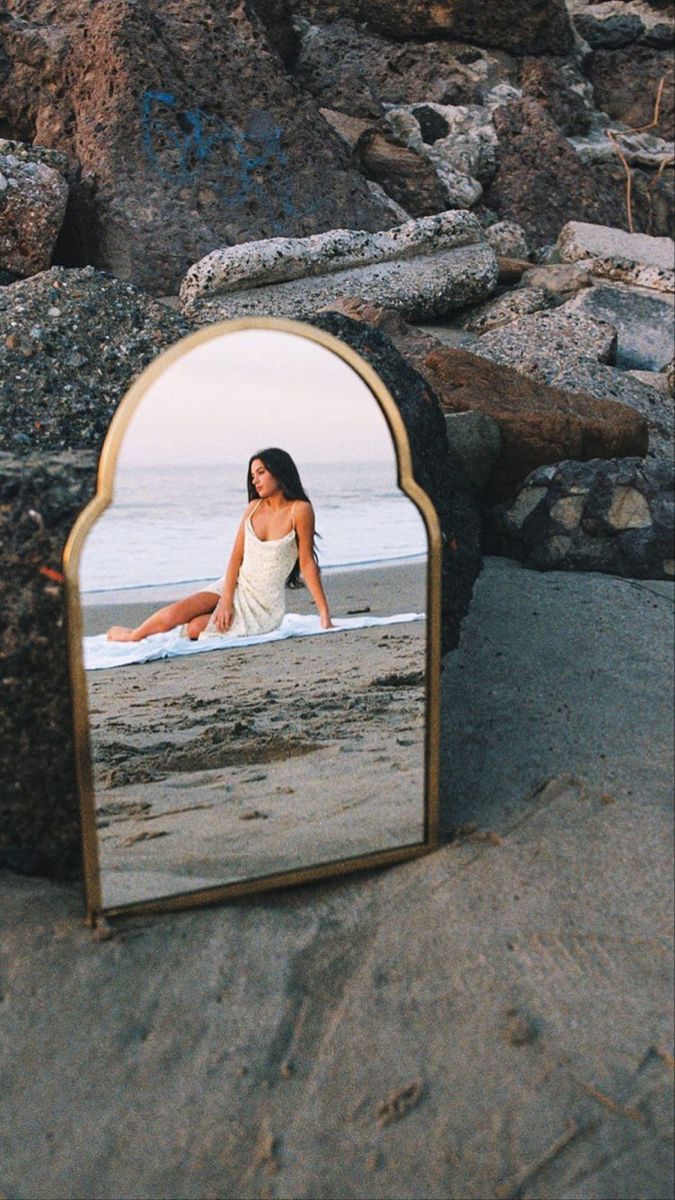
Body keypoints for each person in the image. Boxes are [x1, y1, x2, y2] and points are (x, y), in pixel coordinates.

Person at [106, 448, 334, 642]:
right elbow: (236, 557)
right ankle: (133, 636)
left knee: (196, 627)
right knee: (177, 613)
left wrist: (324, 615)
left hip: (261, 606)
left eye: (261, 473)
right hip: (233, 585)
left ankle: (151, 633)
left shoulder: (300, 510)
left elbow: (307, 563)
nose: (255, 480)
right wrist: (226, 601)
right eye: (253, 475)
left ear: (280, 472)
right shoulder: (253, 507)